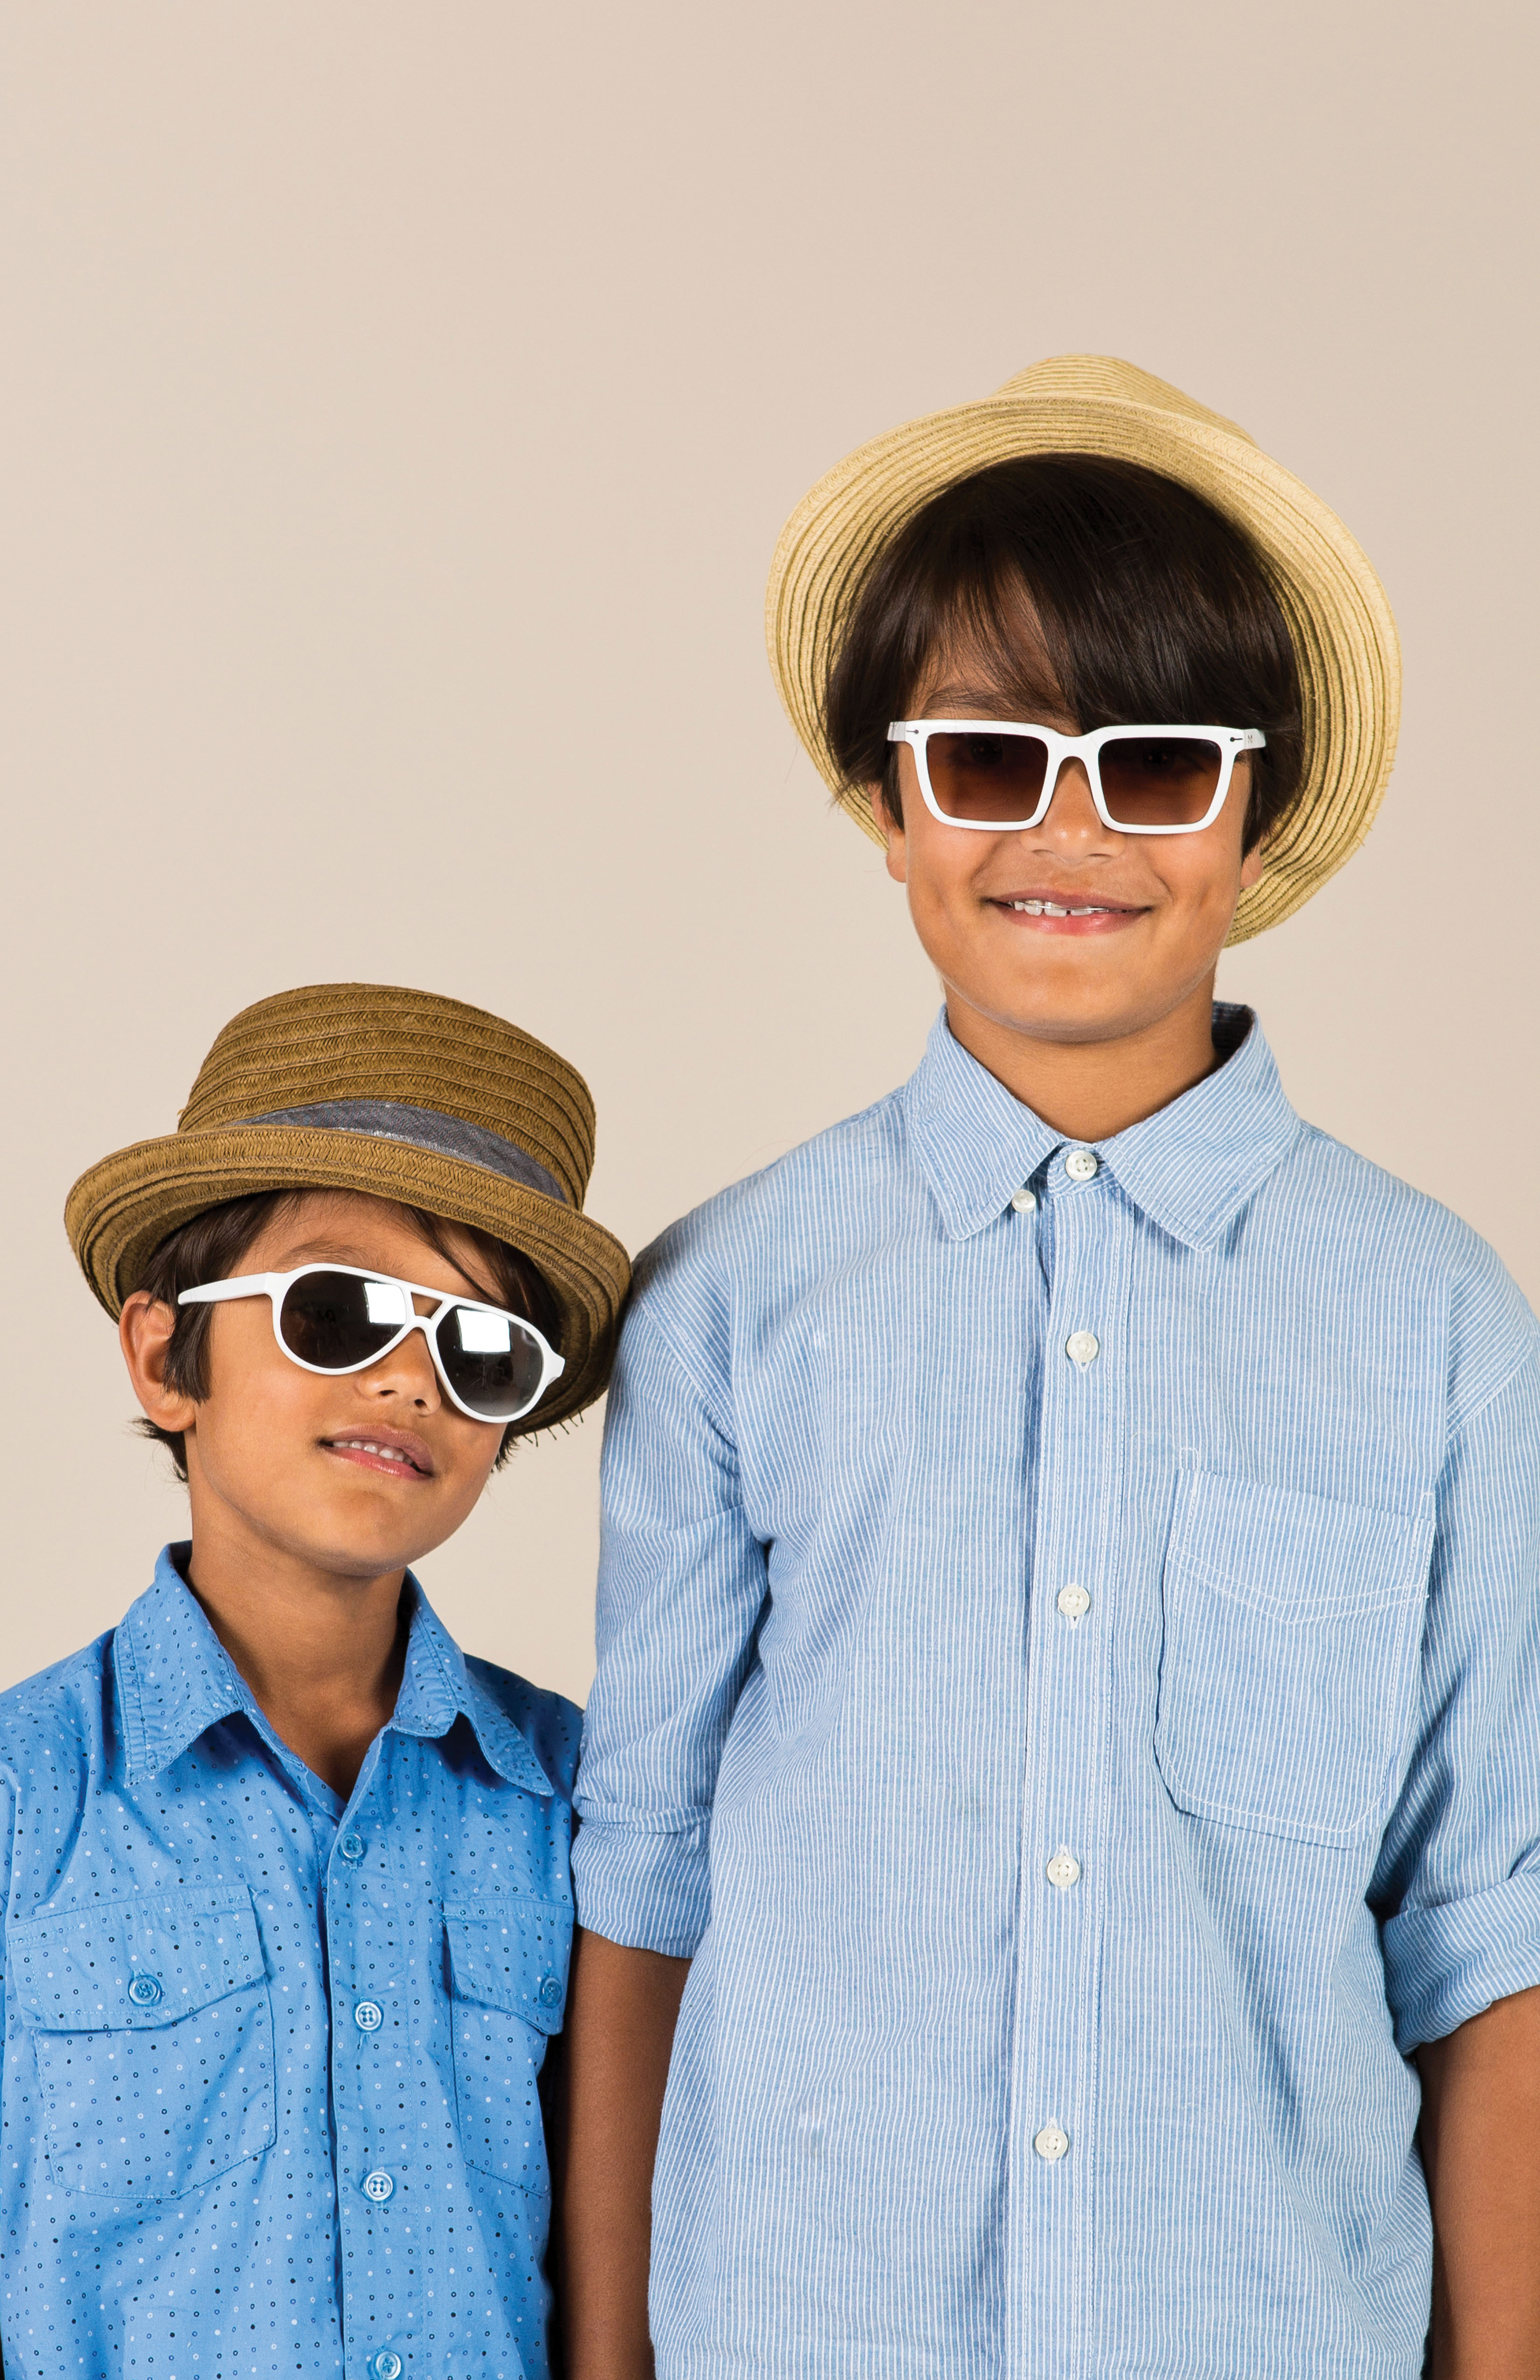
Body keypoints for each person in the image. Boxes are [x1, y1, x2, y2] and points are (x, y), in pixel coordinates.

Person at [560, 358, 1540, 2379]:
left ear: (1253, 817)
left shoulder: (1436, 1323)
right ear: (891, 806)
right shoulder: (730, 1300)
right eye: (989, 759)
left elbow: (1487, 1920)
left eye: (1155, 762)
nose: (1067, 829)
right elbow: (645, 1866)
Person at [0, 980, 630, 2380]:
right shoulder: (22, 1800)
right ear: (164, 1356)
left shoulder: (579, 1798)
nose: (410, 1379)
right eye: (338, 1311)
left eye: (479, 1347)